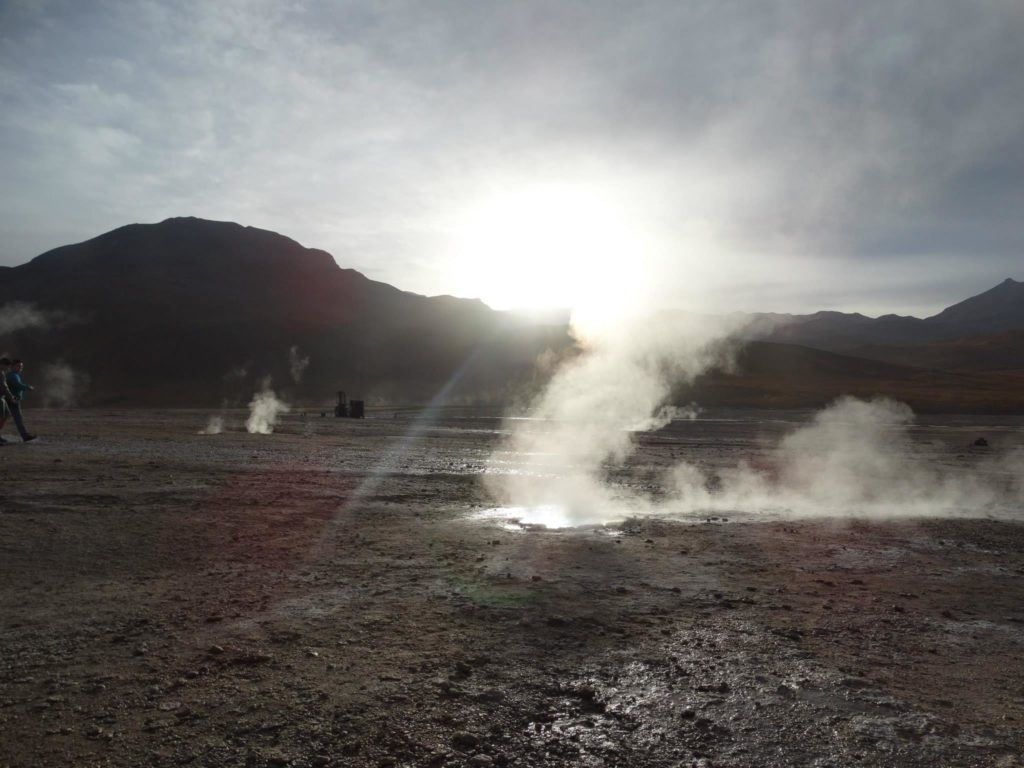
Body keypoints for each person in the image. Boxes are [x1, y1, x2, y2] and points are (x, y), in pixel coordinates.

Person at [4, 358, 36, 443]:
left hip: (11, 400)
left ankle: (24, 435)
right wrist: (27, 387)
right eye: (18, 366)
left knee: (11, 418)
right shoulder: (13, 375)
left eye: (21, 366)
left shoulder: (12, 375)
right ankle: (25, 436)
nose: (20, 368)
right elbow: (17, 385)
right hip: (12, 400)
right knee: (17, 419)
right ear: (12, 366)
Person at [0, 357, 13, 445]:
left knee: (6, 415)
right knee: (1, 416)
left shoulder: (2, 373)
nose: (8, 368)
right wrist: (11, 396)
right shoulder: (1, 373)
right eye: (7, 366)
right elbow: (4, 386)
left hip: (2, 397)